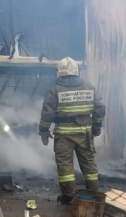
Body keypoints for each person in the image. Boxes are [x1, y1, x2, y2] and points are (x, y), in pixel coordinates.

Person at [39, 57, 105, 204]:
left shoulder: (55, 90)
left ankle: (69, 196)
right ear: (77, 71)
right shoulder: (89, 87)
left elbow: (47, 113)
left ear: (59, 72)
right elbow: (100, 108)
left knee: (65, 165)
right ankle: (94, 194)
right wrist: (96, 127)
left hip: (64, 135)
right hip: (85, 133)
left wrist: (44, 130)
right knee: (88, 163)